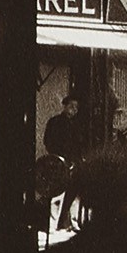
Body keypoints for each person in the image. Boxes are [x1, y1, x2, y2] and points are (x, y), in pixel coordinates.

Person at [42, 93, 84, 232]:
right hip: (58, 161)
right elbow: (48, 141)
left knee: (73, 193)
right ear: (65, 106)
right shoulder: (55, 122)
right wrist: (58, 156)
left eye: (76, 107)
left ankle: (67, 222)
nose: (74, 109)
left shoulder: (77, 125)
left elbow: (80, 144)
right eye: (71, 106)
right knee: (56, 193)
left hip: (74, 162)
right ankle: (52, 223)